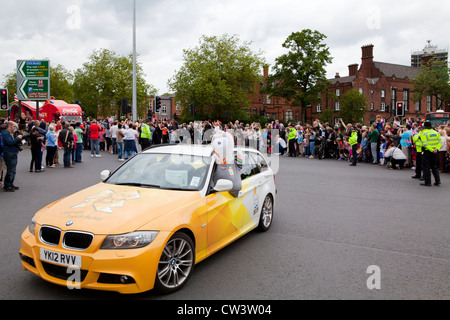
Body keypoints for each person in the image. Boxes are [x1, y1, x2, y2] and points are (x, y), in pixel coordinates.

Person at [418, 121, 441, 186]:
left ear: (424, 127)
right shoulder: (436, 133)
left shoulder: (424, 133)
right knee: (434, 166)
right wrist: (436, 149)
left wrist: (431, 150)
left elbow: (425, 144)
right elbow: (440, 142)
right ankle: (437, 181)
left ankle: (427, 182)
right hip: (435, 151)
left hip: (427, 151)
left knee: (426, 166)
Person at [1, 121, 23, 192]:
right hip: (9, 153)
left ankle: (10, 184)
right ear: (10, 126)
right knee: (10, 170)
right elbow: (10, 142)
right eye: (14, 126)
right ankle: (7, 185)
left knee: (13, 170)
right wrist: (17, 138)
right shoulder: (5, 133)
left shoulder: (9, 133)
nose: (15, 128)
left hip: (12, 152)